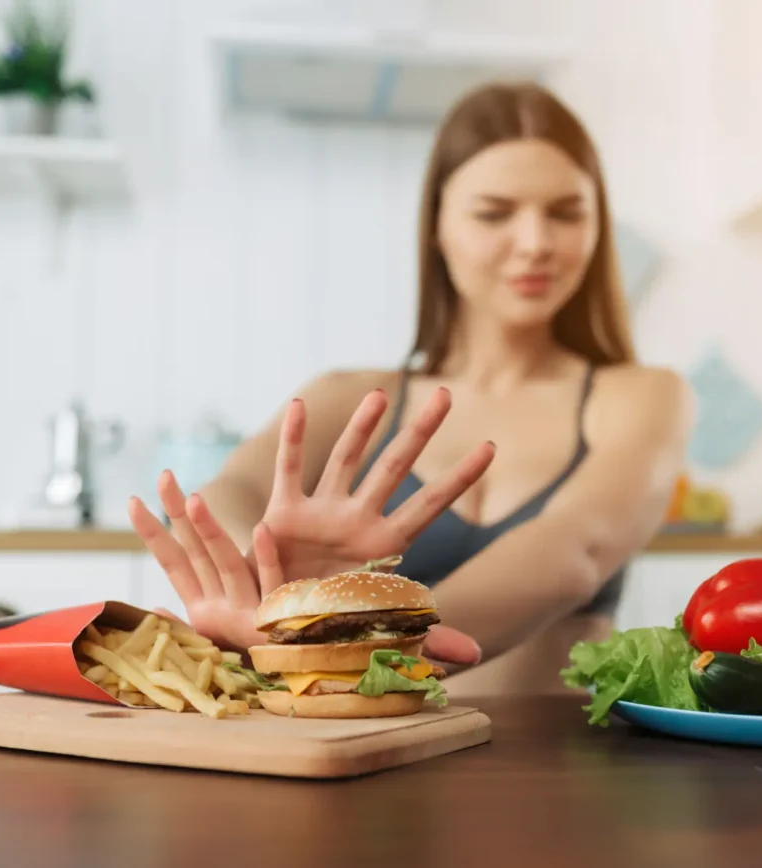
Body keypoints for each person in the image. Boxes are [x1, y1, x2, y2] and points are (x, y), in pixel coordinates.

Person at [129, 81, 692, 696]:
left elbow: (574, 551)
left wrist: (353, 639)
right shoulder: (348, 398)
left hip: (554, 774)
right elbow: (227, 495)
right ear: (438, 227)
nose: (535, 243)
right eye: (494, 213)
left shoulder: (642, 397)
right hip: (364, 761)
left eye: (566, 212)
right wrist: (283, 596)